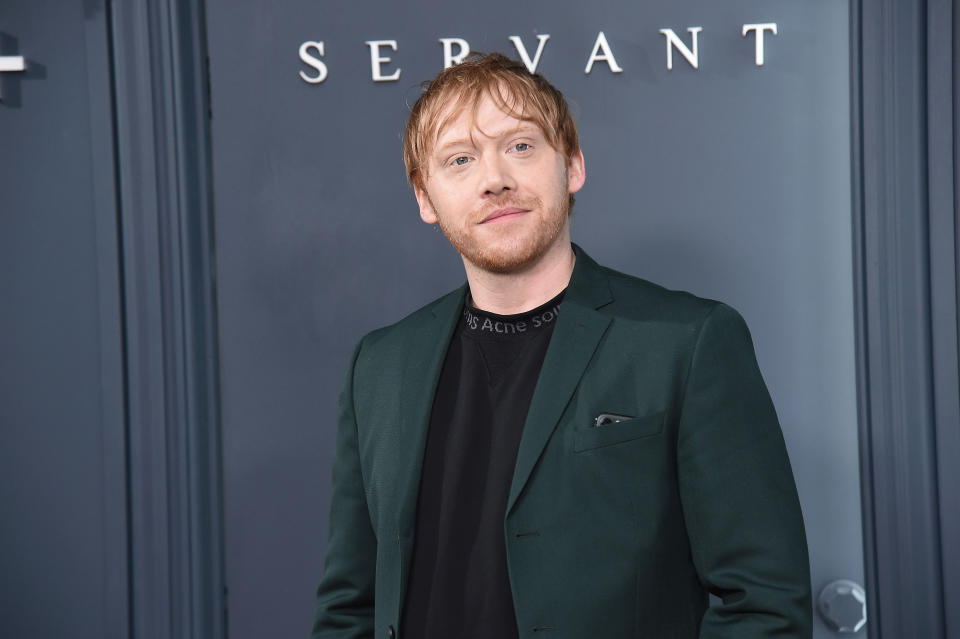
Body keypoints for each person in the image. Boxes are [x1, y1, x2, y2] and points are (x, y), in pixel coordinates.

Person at [312, 52, 811, 639]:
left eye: (521, 146)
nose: (494, 178)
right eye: (460, 159)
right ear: (425, 198)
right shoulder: (380, 366)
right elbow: (349, 607)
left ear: (572, 165)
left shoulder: (688, 341)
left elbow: (765, 605)